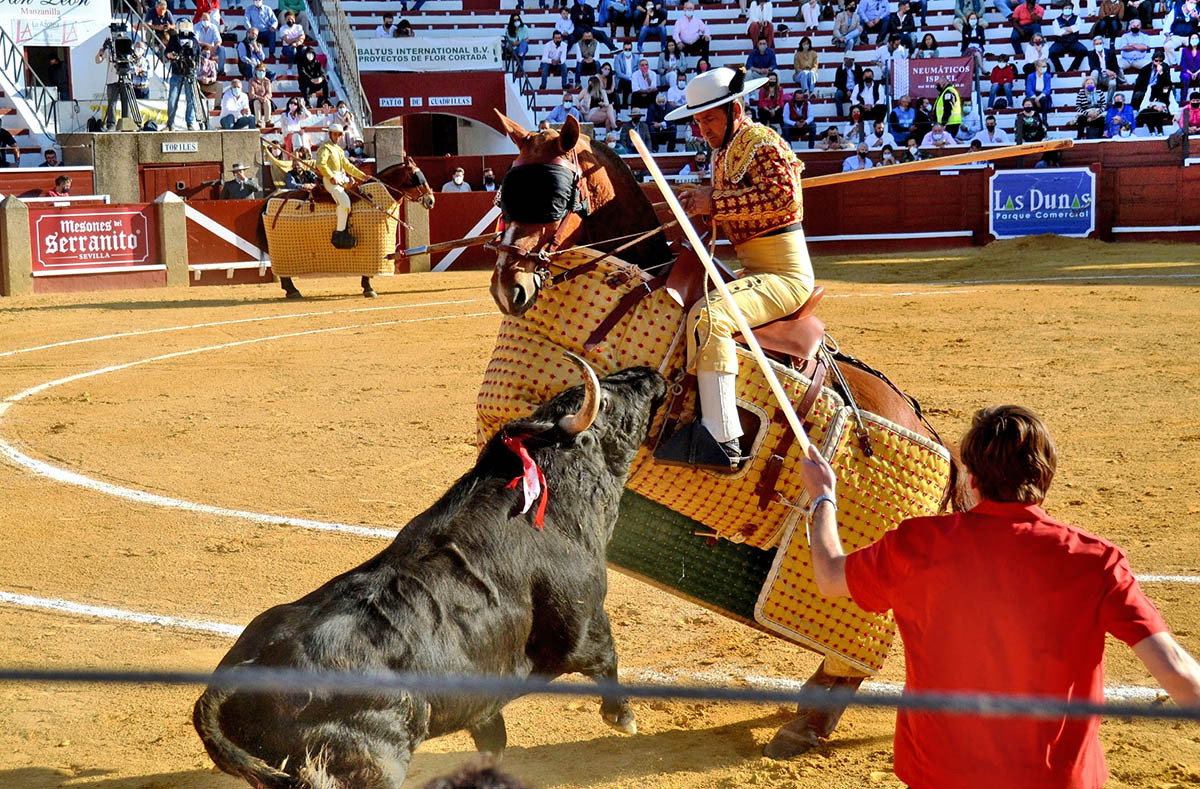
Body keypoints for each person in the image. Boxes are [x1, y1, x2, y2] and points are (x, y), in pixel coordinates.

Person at [796, 404, 1200, 789]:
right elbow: (1179, 673)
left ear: (971, 478)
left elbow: (831, 575)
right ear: (1046, 477)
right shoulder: (1096, 561)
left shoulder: (916, 544)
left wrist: (823, 497)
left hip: (940, 776)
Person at [659, 67, 813, 477]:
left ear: (735, 110)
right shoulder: (722, 154)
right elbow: (730, 208)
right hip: (755, 269)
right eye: (698, 120)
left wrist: (716, 201)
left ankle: (723, 438)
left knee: (712, 315)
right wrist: (698, 211)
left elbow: (785, 199)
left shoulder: (762, 142)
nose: (702, 128)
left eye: (709, 118)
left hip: (786, 275)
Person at [316, 125, 367, 249]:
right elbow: (320, 164)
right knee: (344, 202)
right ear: (330, 134)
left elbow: (348, 166)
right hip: (331, 181)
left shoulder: (338, 149)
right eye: (335, 134)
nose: (337, 137)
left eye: (339, 135)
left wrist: (362, 176)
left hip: (342, 179)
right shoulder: (325, 148)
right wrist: (330, 176)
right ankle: (339, 234)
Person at [165, 21, 201, 132]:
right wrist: (170, 55)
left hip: (189, 73)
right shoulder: (174, 38)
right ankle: (170, 124)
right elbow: (167, 52)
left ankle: (190, 123)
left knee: (191, 99)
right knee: (172, 99)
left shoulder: (194, 40)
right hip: (177, 71)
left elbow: (196, 55)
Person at [1134, 58, 1175, 133]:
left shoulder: (1167, 87)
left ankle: (1159, 131)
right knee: (1149, 113)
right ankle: (1152, 131)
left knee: (1157, 113)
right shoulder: (1151, 87)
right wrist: (1153, 106)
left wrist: (1173, 112)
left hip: (1163, 108)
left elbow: (1171, 101)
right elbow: (1146, 101)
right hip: (1152, 107)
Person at [1050, 3, 1087, 72]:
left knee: (1083, 50)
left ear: (1072, 9)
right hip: (1060, 42)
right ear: (1062, 9)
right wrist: (1071, 30)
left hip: (1073, 42)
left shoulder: (1077, 18)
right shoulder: (1056, 20)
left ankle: (1073, 68)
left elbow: (1077, 28)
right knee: (1051, 52)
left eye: (1069, 8)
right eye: (1066, 8)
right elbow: (1058, 32)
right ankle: (1059, 70)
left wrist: (1063, 28)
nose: (1068, 10)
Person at [614, 40, 637, 108]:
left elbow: (638, 71)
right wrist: (629, 78)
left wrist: (633, 78)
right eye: (626, 49)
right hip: (622, 80)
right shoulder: (618, 58)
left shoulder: (636, 58)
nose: (627, 51)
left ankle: (634, 106)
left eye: (629, 49)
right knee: (625, 82)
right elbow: (618, 73)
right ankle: (624, 102)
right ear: (623, 49)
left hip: (633, 80)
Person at [1180, 35, 1200, 104]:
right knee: (1185, 77)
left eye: (1196, 38)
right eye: (1192, 38)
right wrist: (1191, 73)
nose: (1194, 39)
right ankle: (1183, 100)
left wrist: (1197, 72)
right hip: (1188, 71)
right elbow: (1182, 64)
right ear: (1189, 40)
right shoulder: (1185, 50)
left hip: (1199, 71)